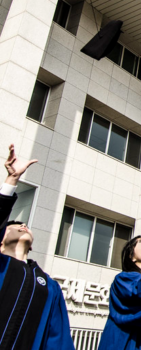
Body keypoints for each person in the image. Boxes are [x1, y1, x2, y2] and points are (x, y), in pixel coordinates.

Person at [0, 144, 74, 350]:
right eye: (13, 226)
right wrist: (12, 180)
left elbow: (58, 339)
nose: (23, 225)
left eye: (25, 225)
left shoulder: (48, 285)